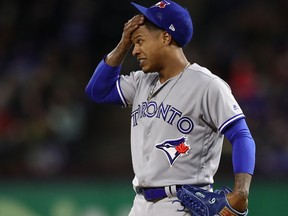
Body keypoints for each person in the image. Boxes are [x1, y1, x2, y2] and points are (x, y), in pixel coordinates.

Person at [85, 0, 256, 215]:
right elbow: (97, 92)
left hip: (183, 204)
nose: (135, 50)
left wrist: (241, 191)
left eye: (139, 41)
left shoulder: (206, 85)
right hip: (139, 204)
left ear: (166, 37)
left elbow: (241, 135)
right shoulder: (141, 81)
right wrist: (122, 45)